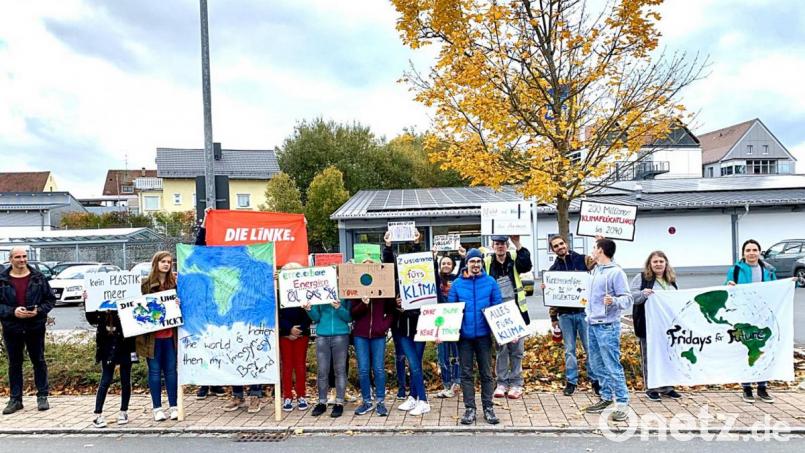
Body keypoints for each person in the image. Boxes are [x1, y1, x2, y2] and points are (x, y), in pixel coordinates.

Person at [194, 208, 263, 412]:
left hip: (250, 314)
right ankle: (237, 395)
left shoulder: (251, 263)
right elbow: (198, 249)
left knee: (253, 354)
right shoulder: (217, 261)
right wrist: (206, 222)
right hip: (228, 314)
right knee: (233, 353)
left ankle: (255, 395)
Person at [448, 248, 503, 425]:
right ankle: (470, 409)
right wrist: (443, 331)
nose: (476, 264)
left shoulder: (490, 282)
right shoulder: (457, 284)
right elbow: (450, 310)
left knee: (486, 373)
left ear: (482, 263)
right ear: (467, 264)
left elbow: (498, 308)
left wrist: (508, 332)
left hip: (484, 336)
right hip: (464, 337)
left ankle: (488, 407)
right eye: (472, 261)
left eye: (478, 261)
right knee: (466, 373)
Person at [0, 247, 55, 415]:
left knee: (38, 360)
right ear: (10, 259)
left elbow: (50, 299)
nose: (22, 260)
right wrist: (12, 311)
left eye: (24, 256)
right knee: (14, 363)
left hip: (35, 326)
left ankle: (42, 396)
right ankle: (15, 399)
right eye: (18, 257)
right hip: (12, 327)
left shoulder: (38, 277)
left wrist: (38, 310)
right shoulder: (2, 280)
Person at [583, 238, 633, 422]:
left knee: (612, 365)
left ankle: (622, 403)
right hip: (592, 324)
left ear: (601, 251)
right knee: (596, 364)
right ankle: (606, 396)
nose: (592, 251)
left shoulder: (616, 272)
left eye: (594, 247)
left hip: (607, 325)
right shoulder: (595, 270)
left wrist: (614, 301)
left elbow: (627, 299)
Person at [544, 235, 599, 396]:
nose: (560, 247)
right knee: (569, 350)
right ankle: (571, 382)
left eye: (561, 243)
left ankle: (595, 380)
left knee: (590, 348)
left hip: (584, 313)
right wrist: (553, 318)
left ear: (566, 244)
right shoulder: (553, 270)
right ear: (552, 250)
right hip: (565, 315)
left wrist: (599, 242)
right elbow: (552, 296)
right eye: (555, 246)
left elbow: (598, 260)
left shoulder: (582, 259)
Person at [726, 239, 777, 404]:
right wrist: (729, 285)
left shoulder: (768, 270)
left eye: (754, 250)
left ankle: (762, 387)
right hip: (744, 317)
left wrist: (790, 284)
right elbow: (726, 288)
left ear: (759, 252)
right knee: (746, 350)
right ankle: (746, 387)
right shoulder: (735, 270)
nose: (751, 253)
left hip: (763, 316)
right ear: (743, 253)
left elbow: (776, 288)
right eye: (748, 250)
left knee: (763, 349)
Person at [385, 233, 429, 416]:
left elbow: (419, 262)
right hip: (402, 328)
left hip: (420, 326)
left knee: (415, 363)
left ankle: (423, 400)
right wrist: (388, 247)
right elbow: (387, 269)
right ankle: (413, 396)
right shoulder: (395, 283)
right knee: (413, 363)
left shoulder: (422, 282)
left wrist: (416, 244)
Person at [630, 251, 682, 402]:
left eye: (661, 261)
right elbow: (631, 297)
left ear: (666, 263)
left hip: (667, 327)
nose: (658, 264)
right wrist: (643, 294)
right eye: (655, 262)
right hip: (648, 325)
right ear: (650, 264)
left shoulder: (670, 280)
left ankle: (667, 387)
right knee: (649, 356)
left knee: (667, 356)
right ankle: (651, 387)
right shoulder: (641, 278)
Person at [485, 235, 532, 400]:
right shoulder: (487, 262)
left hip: (516, 312)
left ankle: (517, 384)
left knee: (517, 350)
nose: (500, 247)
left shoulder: (514, 258)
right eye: (497, 244)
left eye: (503, 244)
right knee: (501, 350)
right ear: (493, 246)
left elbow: (526, 265)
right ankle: (502, 383)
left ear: (507, 246)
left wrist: (518, 243)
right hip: (498, 315)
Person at [136, 251, 179, 421]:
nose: (167, 264)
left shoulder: (174, 284)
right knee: (154, 372)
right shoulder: (145, 285)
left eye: (169, 262)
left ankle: (174, 406)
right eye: (163, 261)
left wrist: (178, 304)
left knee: (171, 371)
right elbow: (135, 308)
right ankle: (157, 408)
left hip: (170, 336)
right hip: (151, 338)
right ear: (156, 263)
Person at [350, 266, 396, 416]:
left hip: (378, 335)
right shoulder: (357, 289)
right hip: (361, 335)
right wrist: (363, 304)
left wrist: (383, 326)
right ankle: (367, 401)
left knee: (378, 369)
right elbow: (353, 313)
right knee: (363, 369)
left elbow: (391, 310)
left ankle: (380, 401)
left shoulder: (384, 289)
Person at [86, 310, 136, 427]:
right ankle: (97, 414)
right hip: (107, 347)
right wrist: (87, 303)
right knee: (106, 380)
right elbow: (92, 318)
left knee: (125, 380)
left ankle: (123, 411)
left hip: (125, 344)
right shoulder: (102, 314)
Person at [304, 296, 351, 418]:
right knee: (322, 371)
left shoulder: (344, 292)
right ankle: (322, 402)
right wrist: (309, 309)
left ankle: (339, 403)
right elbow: (316, 318)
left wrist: (339, 307)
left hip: (341, 334)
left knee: (340, 370)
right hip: (322, 335)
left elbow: (349, 317)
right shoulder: (320, 292)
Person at [279, 263, 312, 412]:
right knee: (287, 366)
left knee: (300, 366)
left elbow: (309, 314)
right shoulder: (279, 292)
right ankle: (287, 396)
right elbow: (277, 315)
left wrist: (299, 329)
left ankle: (301, 395)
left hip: (301, 334)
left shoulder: (305, 291)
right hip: (285, 335)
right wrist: (289, 330)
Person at [433, 253, 460, 398]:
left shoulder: (457, 280)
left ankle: (456, 383)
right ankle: (446, 384)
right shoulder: (436, 280)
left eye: (449, 263)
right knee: (442, 356)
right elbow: (431, 272)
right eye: (443, 263)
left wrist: (463, 257)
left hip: (455, 321)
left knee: (455, 355)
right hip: (440, 321)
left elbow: (464, 269)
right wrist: (433, 258)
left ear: (453, 266)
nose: (446, 265)